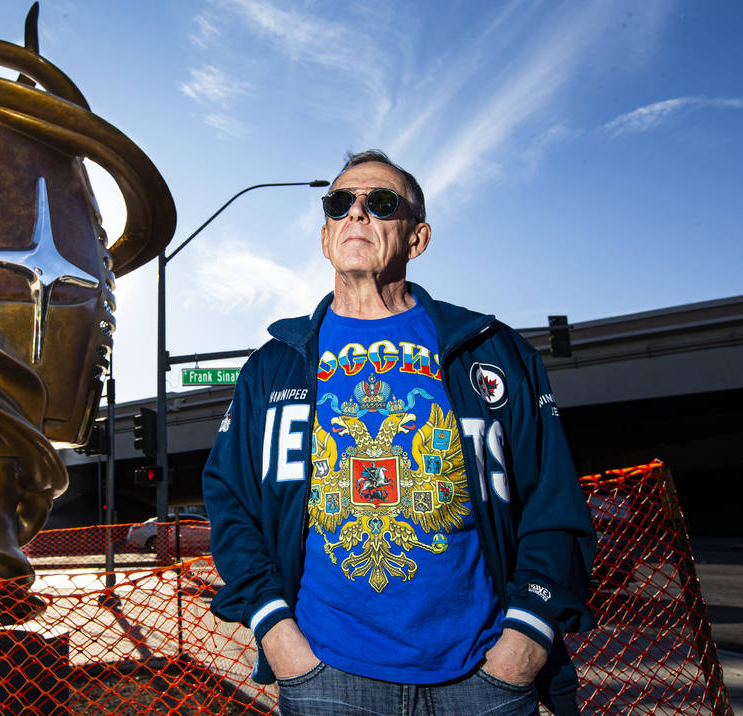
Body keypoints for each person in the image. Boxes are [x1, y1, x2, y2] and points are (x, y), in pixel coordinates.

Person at [202, 150, 595, 715]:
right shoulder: (274, 366)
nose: (356, 214)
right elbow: (230, 501)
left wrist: (524, 643)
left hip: (484, 674)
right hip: (324, 674)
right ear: (325, 235)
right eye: (340, 203)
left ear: (417, 238)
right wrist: (276, 633)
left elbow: (551, 500)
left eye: (380, 203)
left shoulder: (490, 350)